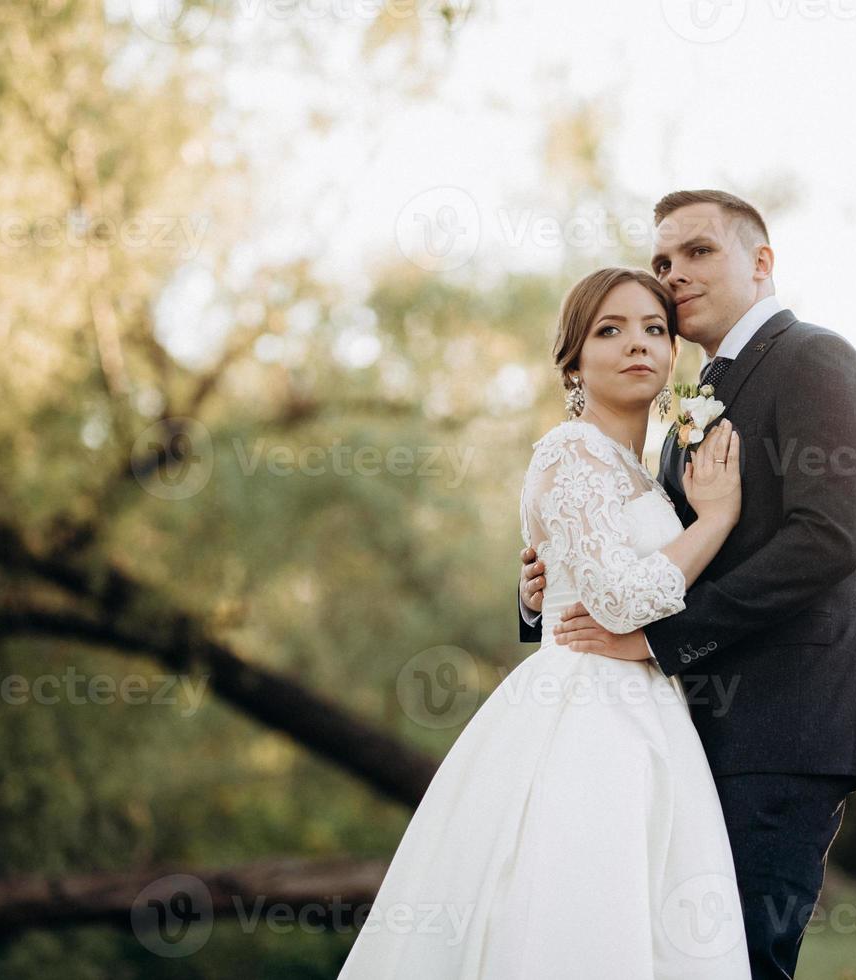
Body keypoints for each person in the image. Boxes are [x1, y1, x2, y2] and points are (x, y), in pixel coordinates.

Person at [520, 190, 856, 980]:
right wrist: (546, 595)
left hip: (778, 726)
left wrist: (655, 642)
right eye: (663, 261)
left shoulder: (816, 361)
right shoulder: (689, 406)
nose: (674, 275)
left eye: (697, 252)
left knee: (745, 962)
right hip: (675, 732)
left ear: (761, 264)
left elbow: (824, 543)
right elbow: (641, 556)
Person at [338, 266, 752, 979]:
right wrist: (716, 518)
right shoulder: (569, 452)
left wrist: (536, 595)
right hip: (587, 713)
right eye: (611, 330)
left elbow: (587, 571)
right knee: (581, 908)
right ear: (573, 360)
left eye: (656, 330)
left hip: (649, 705)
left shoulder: (642, 468)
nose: (638, 345)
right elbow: (619, 601)